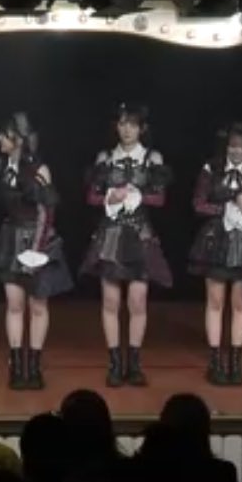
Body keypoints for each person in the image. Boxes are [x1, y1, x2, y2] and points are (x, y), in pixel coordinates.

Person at [80, 102, 172, 387]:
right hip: (111, 234)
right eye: (122, 123)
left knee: (137, 301)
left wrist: (137, 196)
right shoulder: (106, 158)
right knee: (110, 301)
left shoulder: (152, 158)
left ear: (141, 128)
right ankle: (115, 363)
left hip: (140, 234)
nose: (127, 129)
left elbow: (160, 198)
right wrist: (110, 196)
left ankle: (134, 362)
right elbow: (91, 197)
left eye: (132, 124)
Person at [0, 112, 73, 389]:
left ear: (18, 139)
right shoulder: (2, 165)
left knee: (38, 305)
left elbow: (47, 213)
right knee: (14, 305)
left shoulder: (39, 169)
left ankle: (33, 366)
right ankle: (16, 364)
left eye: (4, 134)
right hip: (11, 238)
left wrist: (37, 251)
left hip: (38, 239)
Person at [189, 122, 242, 385]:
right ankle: (215, 361)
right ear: (226, 147)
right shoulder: (211, 169)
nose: (238, 152)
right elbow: (198, 204)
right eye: (233, 147)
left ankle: (235, 362)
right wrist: (227, 205)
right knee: (215, 301)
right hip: (215, 241)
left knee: (240, 303)